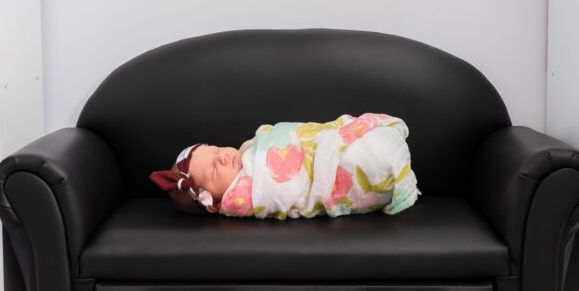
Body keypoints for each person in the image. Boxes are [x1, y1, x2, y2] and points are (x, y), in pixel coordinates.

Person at [150, 114, 419, 219]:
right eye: (214, 171)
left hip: (321, 146)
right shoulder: (245, 194)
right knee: (360, 160)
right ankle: (377, 162)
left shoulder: (250, 151)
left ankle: (366, 145)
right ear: (211, 201)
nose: (222, 157)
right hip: (335, 173)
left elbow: (298, 136)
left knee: (336, 140)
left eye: (216, 150)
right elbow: (288, 188)